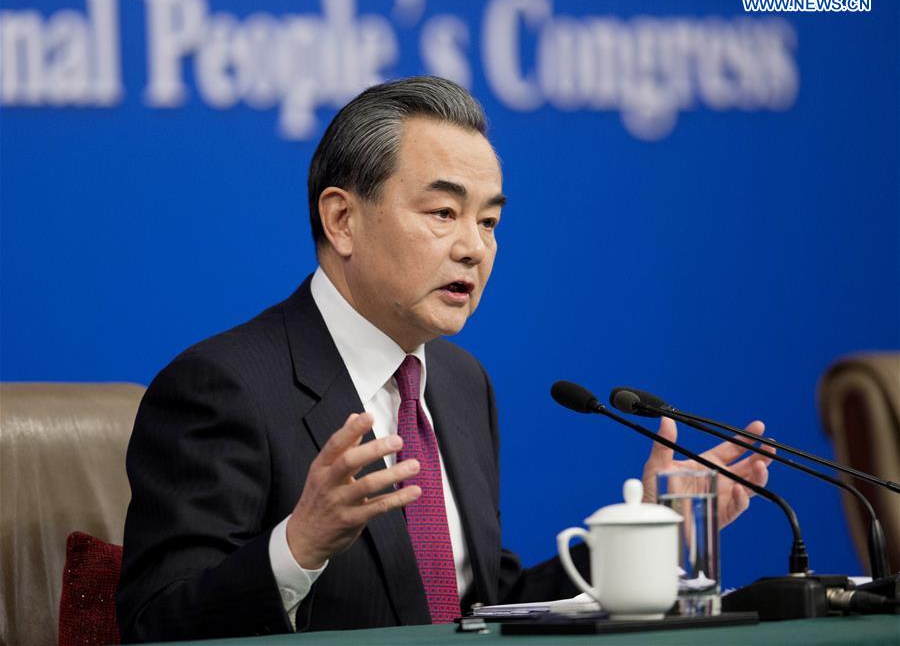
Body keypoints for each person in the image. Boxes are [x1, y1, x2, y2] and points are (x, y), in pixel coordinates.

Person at [116, 76, 771, 643]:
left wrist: (647, 533)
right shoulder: (224, 386)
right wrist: (298, 545)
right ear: (342, 220)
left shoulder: (460, 383)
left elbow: (481, 608)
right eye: (443, 212)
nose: (473, 248)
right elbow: (153, 623)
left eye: (488, 222)